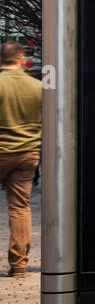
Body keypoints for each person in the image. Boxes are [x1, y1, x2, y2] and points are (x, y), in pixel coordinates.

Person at [0, 43, 42, 276]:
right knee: (19, 208)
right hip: (27, 154)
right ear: (21, 58)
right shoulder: (37, 87)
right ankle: (18, 265)